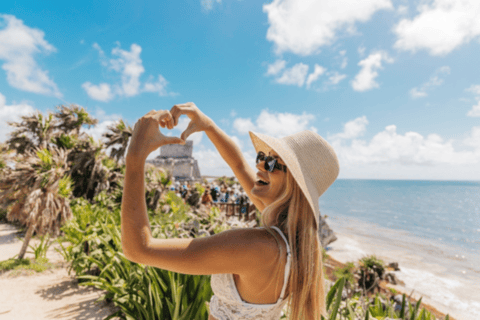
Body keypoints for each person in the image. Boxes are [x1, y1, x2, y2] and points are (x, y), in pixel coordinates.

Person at [121, 103, 339, 320]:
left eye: (272, 163)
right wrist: (209, 127)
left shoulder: (257, 247)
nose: (261, 166)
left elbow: (139, 249)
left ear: (294, 184)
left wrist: (135, 157)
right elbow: (238, 165)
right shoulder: (292, 238)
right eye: (262, 157)